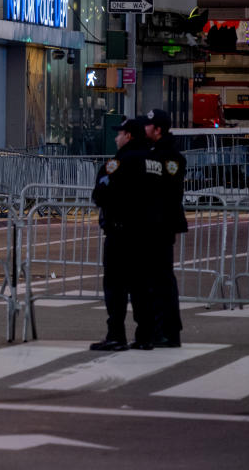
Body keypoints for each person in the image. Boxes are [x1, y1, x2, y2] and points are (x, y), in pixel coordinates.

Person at [90, 117, 158, 351]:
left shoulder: (118, 163)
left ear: (128, 136)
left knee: (116, 287)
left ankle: (116, 335)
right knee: (142, 287)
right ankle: (145, 336)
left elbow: (101, 194)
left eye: (119, 134)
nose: (117, 138)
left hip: (122, 233)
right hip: (148, 234)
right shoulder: (155, 162)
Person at [141, 108, 187, 347]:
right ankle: (164, 329)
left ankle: (167, 331)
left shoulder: (169, 158)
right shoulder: (158, 154)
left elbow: (165, 194)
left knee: (160, 280)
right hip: (157, 225)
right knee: (158, 279)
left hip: (159, 226)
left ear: (157, 129)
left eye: (147, 126)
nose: (144, 129)